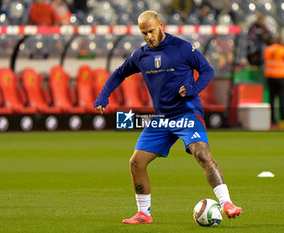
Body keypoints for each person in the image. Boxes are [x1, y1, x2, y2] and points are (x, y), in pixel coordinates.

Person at [94, 10, 242, 224]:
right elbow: (119, 73)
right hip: (162, 118)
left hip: (187, 112)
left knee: (201, 154)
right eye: (144, 33)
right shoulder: (141, 55)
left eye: (151, 31)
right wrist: (103, 96)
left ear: (161, 25)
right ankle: (144, 213)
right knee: (136, 163)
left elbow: (207, 70)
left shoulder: (182, 48)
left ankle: (227, 203)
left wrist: (192, 88)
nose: (148, 37)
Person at [263, 36, 284, 124]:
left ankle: (272, 120)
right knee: (282, 99)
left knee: (271, 99)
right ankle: (283, 119)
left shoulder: (267, 50)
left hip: (270, 77)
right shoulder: (283, 50)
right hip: (282, 77)